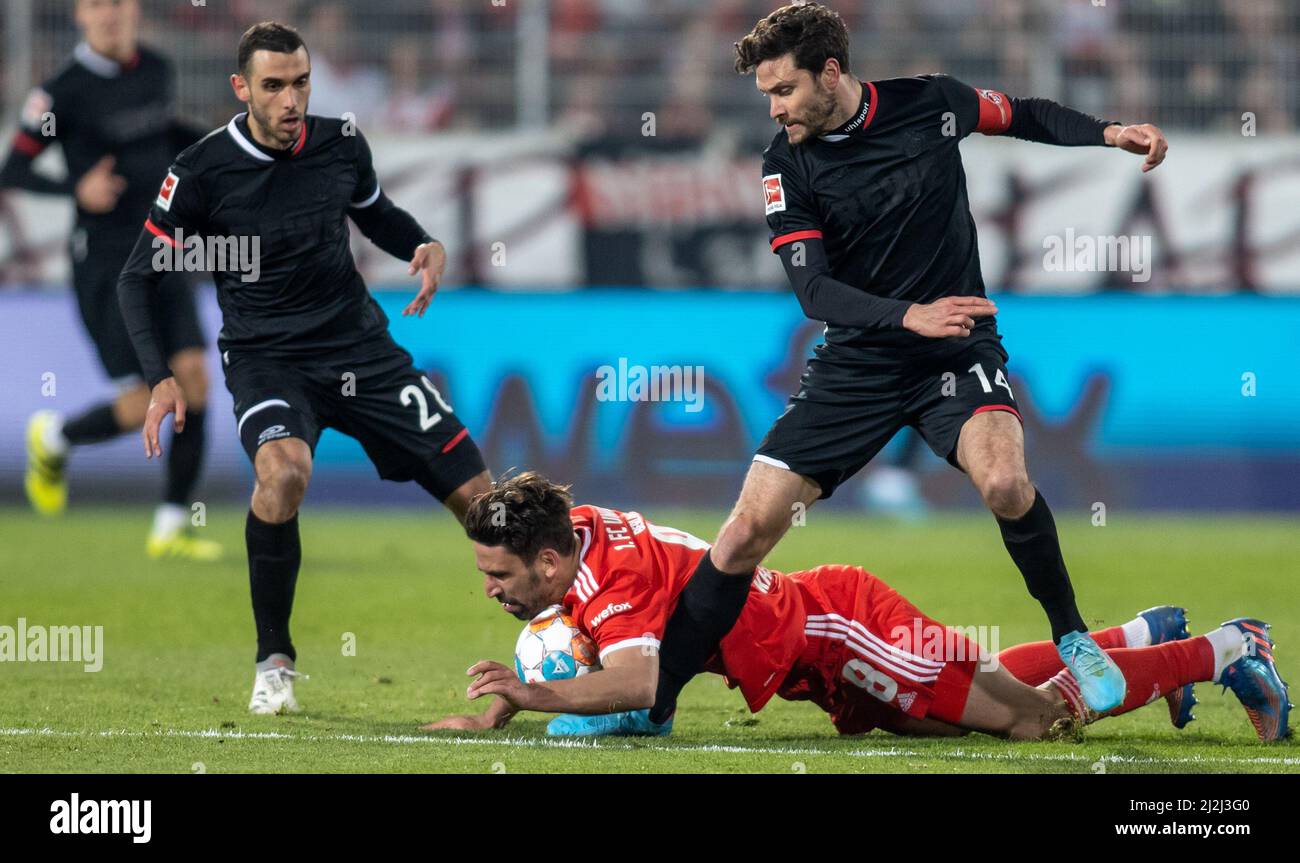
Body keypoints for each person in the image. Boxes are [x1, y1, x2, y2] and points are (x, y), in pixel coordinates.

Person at [648, 3, 1173, 728]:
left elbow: (1021, 114)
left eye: (784, 90)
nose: (774, 109)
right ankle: (655, 703)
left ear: (831, 72)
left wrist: (1109, 132)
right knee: (742, 535)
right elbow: (813, 291)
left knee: (1005, 480)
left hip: (955, 351)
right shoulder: (786, 164)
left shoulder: (932, 103)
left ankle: (1074, 636)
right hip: (857, 363)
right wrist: (906, 315)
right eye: (765, 94)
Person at [115, 21, 492, 714]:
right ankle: (274, 661)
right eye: (273, 86)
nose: (291, 100)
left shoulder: (341, 144)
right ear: (241, 90)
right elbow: (137, 277)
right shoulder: (199, 171)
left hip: (361, 349)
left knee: (487, 505)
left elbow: (375, 213)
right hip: (268, 358)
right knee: (283, 473)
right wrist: (159, 373)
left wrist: (424, 243)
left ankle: (565, 638)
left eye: (300, 83)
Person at [425, 473, 1290, 743]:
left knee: (1030, 725)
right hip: (810, 647)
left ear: (547, 557)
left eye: (499, 576)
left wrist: (532, 696)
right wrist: (504, 705)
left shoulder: (607, 578)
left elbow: (636, 681)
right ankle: (1141, 636)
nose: (490, 590)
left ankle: (1223, 647)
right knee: (982, 697)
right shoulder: (568, 539)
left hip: (842, 628)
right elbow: (589, 645)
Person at [2, 0, 218, 560]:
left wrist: (229, 148)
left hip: (163, 248)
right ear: (79, 15)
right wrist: (74, 191)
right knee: (150, 397)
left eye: (119, 3)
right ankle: (55, 438)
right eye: (97, 5)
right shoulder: (61, 93)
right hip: (104, 262)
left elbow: (165, 132)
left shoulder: (156, 68)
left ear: (135, 10)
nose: (110, 14)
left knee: (194, 383)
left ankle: (171, 526)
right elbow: (15, 166)